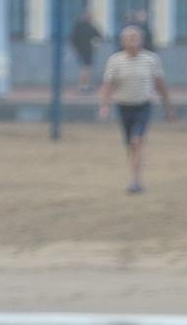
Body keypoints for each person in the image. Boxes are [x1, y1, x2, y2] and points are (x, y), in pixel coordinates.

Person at [96, 25, 176, 194]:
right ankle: (134, 169)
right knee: (130, 144)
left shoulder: (151, 59)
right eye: (128, 38)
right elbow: (108, 85)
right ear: (122, 41)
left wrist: (168, 105)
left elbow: (160, 83)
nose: (132, 41)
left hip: (143, 105)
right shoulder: (115, 60)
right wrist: (105, 106)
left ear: (141, 40)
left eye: (135, 37)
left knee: (137, 141)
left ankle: (136, 181)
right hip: (123, 106)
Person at [70, 11, 103, 93]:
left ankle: (85, 85)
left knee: (85, 68)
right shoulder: (86, 26)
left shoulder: (82, 26)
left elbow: (73, 39)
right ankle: (83, 86)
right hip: (85, 50)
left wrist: (75, 48)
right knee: (86, 68)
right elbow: (99, 37)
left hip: (84, 50)